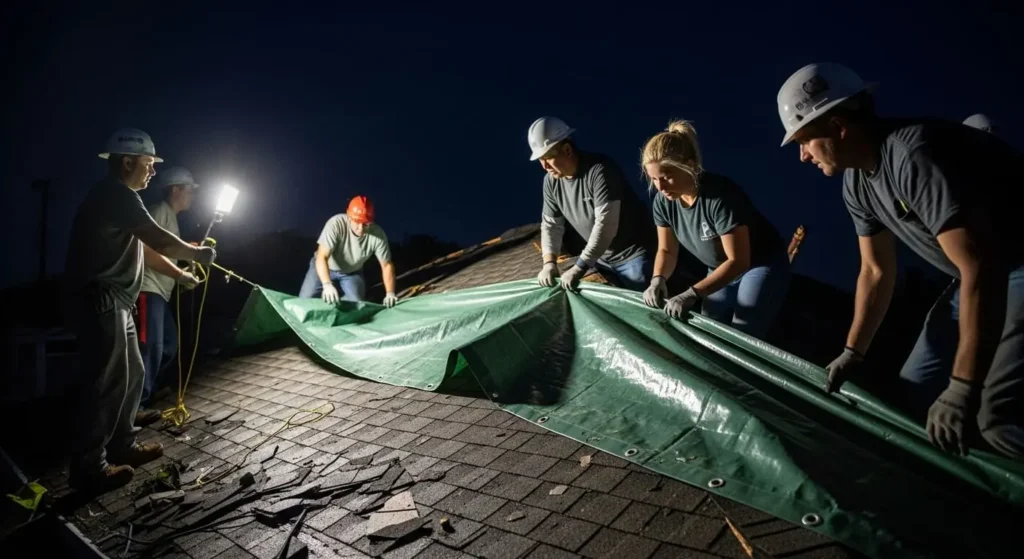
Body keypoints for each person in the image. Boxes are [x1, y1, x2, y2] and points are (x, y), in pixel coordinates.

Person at [777, 62, 1024, 459]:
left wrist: (962, 386)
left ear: (838, 126)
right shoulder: (857, 184)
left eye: (804, 141)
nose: (803, 156)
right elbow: (875, 271)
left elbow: (983, 267)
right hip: (976, 274)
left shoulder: (913, 154)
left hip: (1008, 266)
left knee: (995, 416)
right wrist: (853, 352)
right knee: (914, 393)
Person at [64, 129, 215, 492]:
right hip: (103, 298)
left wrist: (180, 273)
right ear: (128, 162)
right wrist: (197, 254)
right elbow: (158, 238)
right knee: (107, 382)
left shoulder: (119, 199)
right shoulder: (115, 194)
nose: (152, 171)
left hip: (119, 300)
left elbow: (147, 248)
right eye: (148, 163)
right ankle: (89, 467)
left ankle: (123, 445)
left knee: (132, 374)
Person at [640, 121, 791, 339]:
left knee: (743, 331)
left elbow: (738, 261)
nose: (660, 187)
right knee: (710, 326)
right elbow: (667, 250)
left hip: (757, 264)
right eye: (654, 179)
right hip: (718, 266)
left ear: (689, 166)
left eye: (666, 177)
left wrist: (692, 293)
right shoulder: (663, 203)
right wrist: (658, 279)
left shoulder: (720, 197)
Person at [529, 116, 654, 292]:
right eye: (540, 160)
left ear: (567, 150)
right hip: (601, 260)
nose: (544, 166)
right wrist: (549, 263)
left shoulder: (600, 170)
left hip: (634, 257)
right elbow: (551, 226)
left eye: (548, 157)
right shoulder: (551, 182)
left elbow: (606, 226)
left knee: (648, 305)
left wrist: (580, 266)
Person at [136, 166, 201, 413]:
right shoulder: (158, 211)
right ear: (175, 190)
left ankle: (149, 389)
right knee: (151, 347)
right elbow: (145, 249)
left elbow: (166, 248)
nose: (193, 195)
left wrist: (187, 252)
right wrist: (181, 275)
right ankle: (136, 406)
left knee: (169, 346)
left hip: (161, 293)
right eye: (190, 190)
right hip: (148, 289)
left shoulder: (171, 218)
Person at [298, 195, 398, 307]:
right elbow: (322, 256)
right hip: (325, 266)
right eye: (357, 221)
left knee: (357, 305)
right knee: (304, 301)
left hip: (352, 272)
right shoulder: (336, 223)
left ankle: (340, 302)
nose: (361, 228)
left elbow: (386, 265)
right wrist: (327, 284)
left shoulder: (378, 234)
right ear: (349, 216)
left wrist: (390, 293)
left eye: (366, 223)